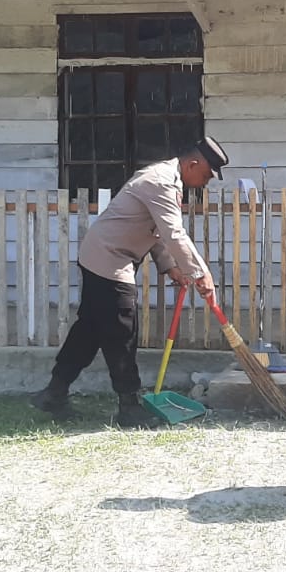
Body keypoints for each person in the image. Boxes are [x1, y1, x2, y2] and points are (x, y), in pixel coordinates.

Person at [30, 139, 228, 428]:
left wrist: (171, 266)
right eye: (208, 175)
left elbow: (156, 230)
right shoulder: (160, 182)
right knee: (123, 332)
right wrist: (201, 273)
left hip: (105, 256)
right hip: (110, 259)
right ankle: (129, 407)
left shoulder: (168, 179)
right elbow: (173, 233)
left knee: (90, 329)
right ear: (193, 164)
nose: (206, 182)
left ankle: (54, 392)